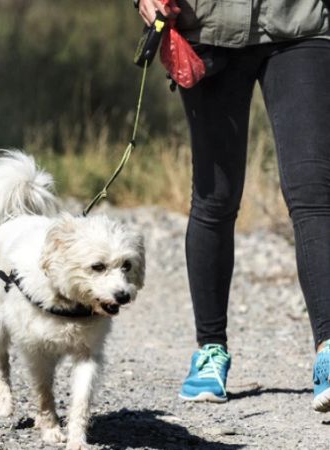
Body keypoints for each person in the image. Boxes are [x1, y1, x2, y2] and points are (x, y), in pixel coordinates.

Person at [136, 0, 330, 411]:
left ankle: (329, 350)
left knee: (313, 192)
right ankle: (210, 351)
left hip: (300, 22)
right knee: (214, 198)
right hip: (208, 28)